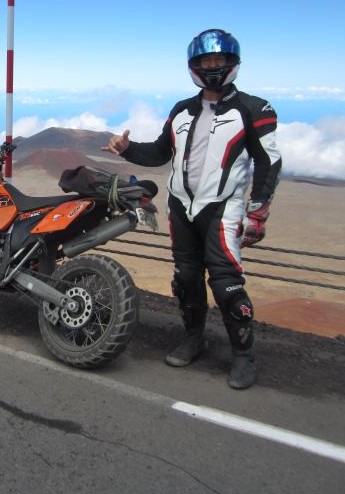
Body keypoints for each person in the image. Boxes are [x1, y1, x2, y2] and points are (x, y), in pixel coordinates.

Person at [102, 28, 282, 389]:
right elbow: (158, 153)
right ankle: (194, 338)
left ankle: (243, 356)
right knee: (185, 278)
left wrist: (258, 211)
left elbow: (270, 163)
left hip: (223, 207)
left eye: (219, 60)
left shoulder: (254, 108)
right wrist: (127, 149)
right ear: (194, 66)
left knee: (227, 283)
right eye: (205, 61)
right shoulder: (182, 110)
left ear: (233, 62)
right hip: (181, 206)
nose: (213, 66)